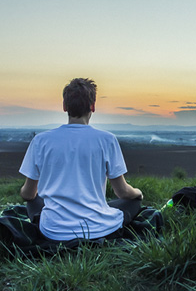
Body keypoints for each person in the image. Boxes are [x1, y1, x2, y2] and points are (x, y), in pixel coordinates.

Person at [19, 78, 143, 241]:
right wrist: (138, 193)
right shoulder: (107, 140)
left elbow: (27, 194)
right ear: (92, 106)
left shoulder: (41, 141)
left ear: (65, 107)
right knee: (133, 202)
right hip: (98, 229)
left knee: (33, 201)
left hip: (54, 231)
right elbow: (122, 192)